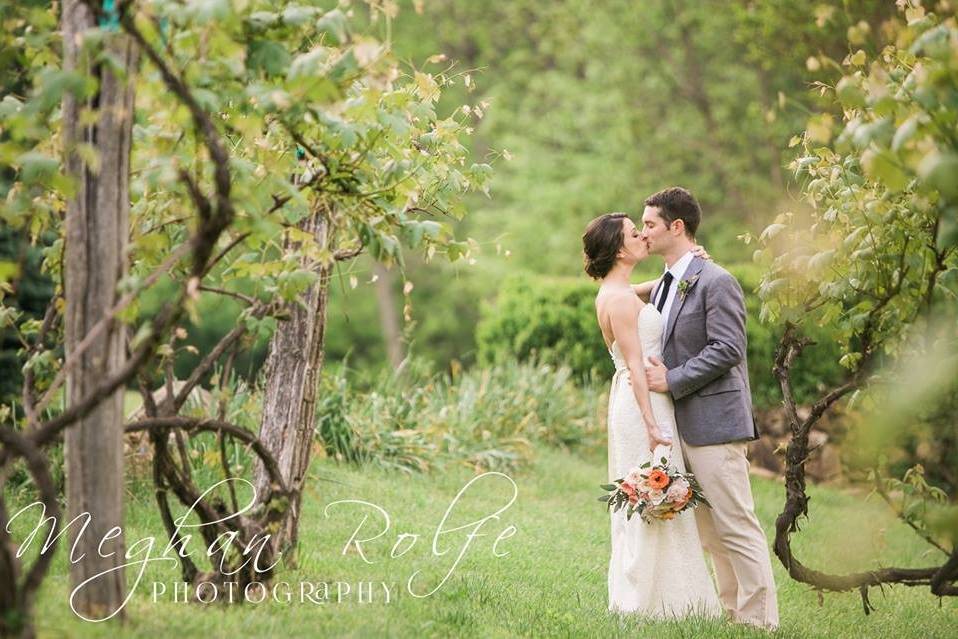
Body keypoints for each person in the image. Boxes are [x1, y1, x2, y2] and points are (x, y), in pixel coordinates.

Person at [639, 186, 779, 630]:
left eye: (649, 225)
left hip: (715, 423)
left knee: (736, 525)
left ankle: (760, 621)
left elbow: (728, 349)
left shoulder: (717, 281)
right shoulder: (668, 280)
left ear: (675, 227)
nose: (643, 232)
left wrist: (672, 379)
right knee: (709, 532)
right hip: (680, 424)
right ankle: (733, 615)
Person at [582, 212, 722, 620]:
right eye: (633, 233)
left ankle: (668, 595)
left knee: (656, 492)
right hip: (642, 402)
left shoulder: (615, 291)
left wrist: (683, 270)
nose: (642, 235)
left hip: (635, 400)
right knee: (654, 491)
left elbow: (644, 292)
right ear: (618, 249)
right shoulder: (622, 301)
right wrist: (651, 424)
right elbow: (637, 367)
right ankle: (655, 600)